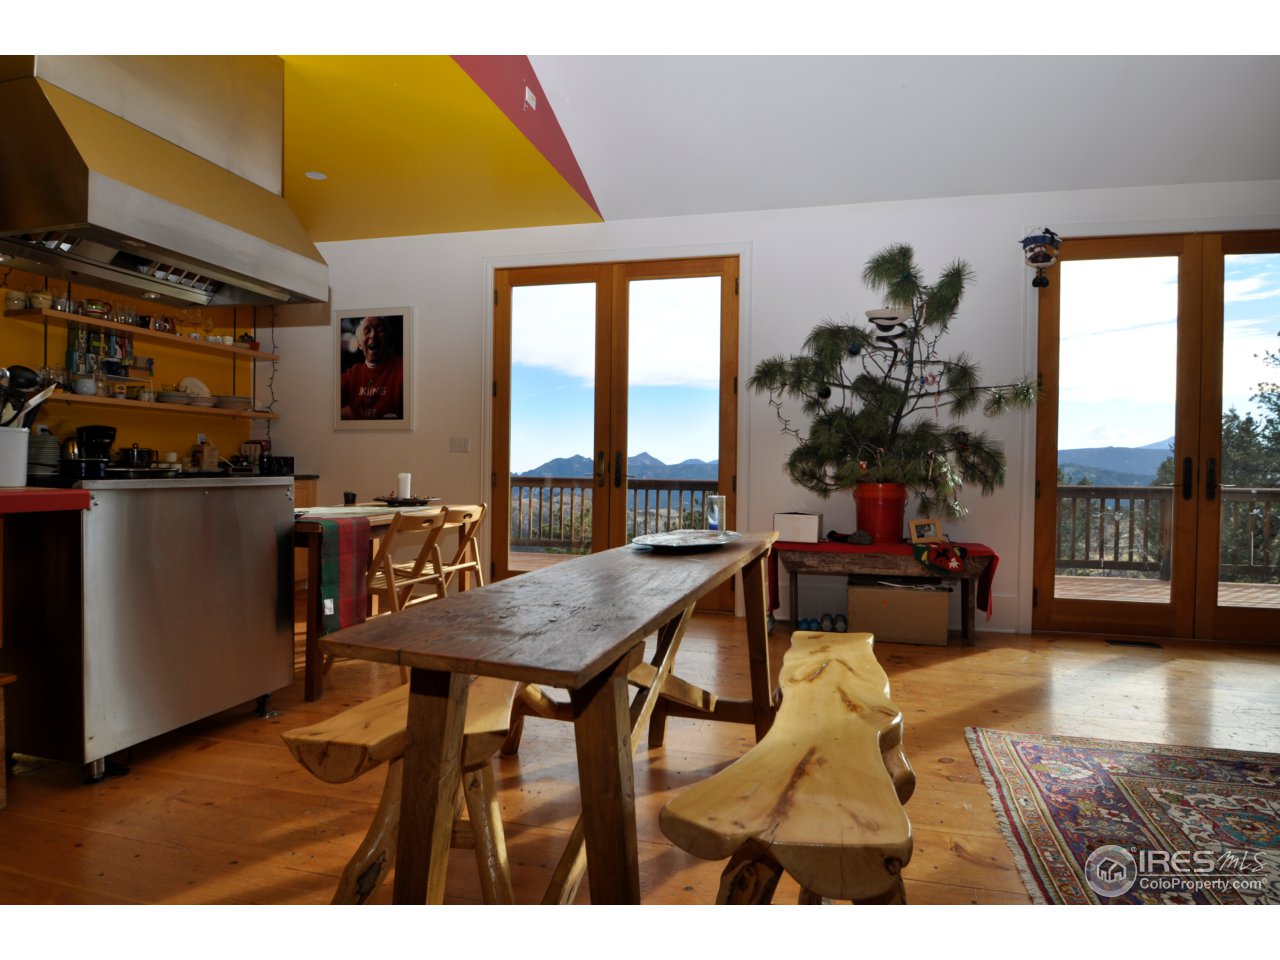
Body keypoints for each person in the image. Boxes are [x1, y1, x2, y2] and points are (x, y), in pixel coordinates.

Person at [340, 315, 404, 419]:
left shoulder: (403, 368)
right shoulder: (353, 374)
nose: (373, 334)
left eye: (379, 329)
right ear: (360, 344)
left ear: (386, 339)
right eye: (367, 330)